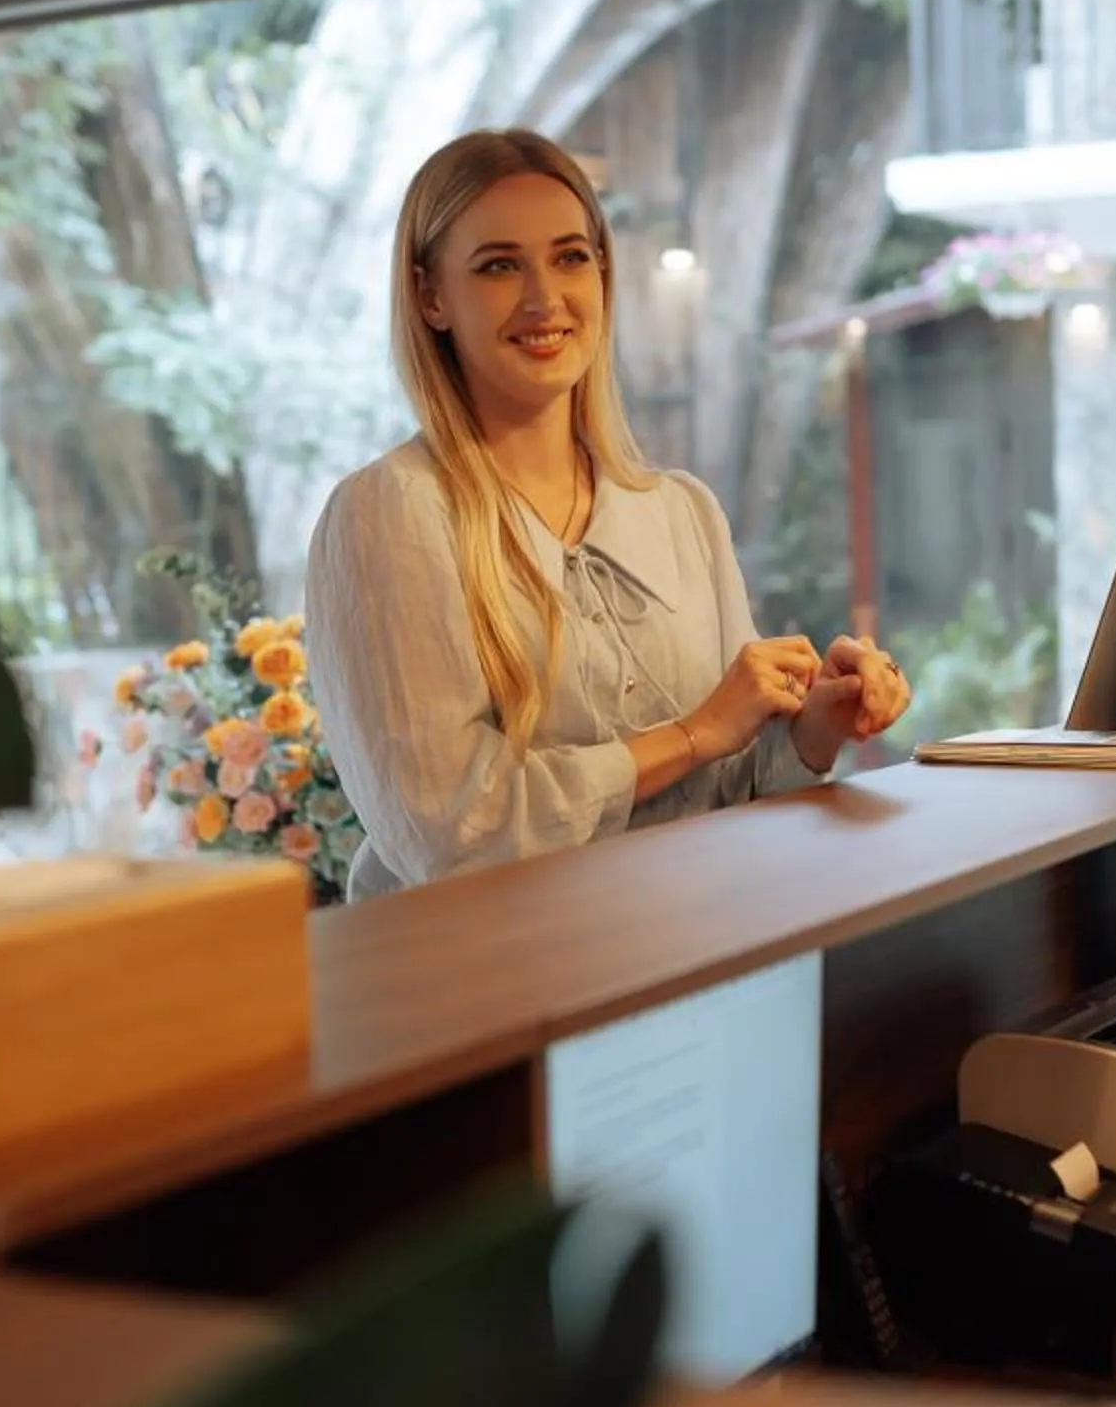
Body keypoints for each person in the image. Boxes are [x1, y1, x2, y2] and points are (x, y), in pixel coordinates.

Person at [305, 129, 913, 900]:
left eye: (570, 257)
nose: (544, 299)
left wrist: (818, 727)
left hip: (688, 943)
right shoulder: (387, 515)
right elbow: (450, 831)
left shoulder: (684, 513)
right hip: (485, 968)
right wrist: (691, 735)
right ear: (431, 297)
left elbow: (733, 789)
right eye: (499, 266)